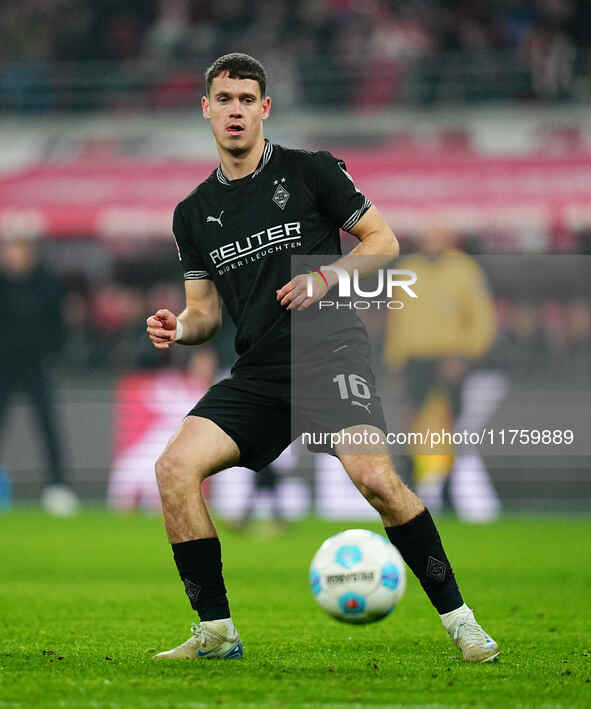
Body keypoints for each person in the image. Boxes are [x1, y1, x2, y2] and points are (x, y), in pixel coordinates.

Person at [146, 53, 499, 663]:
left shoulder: (310, 173)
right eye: (224, 99)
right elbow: (204, 314)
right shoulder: (192, 214)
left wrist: (329, 277)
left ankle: (463, 623)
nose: (235, 110)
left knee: (376, 480)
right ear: (206, 109)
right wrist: (179, 329)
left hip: (328, 348)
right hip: (259, 372)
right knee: (175, 469)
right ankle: (216, 632)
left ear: (265, 108)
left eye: (246, 99)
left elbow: (383, 240)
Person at [383, 227, 502, 521]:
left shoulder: (464, 270)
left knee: (451, 427)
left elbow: (481, 318)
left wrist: (465, 355)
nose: (431, 236)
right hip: (415, 360)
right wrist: (396, 358)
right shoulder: (408, 268)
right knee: (411, 423)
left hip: (450, 358)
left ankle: (448, 489)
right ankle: (408, 490)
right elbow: (398, 317)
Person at [0, 231, 79, 516]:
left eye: (20, 249)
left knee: (47, 427)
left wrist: (51, 354)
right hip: (4, 367)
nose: (15, 256)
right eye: (11, 249)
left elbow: (59, 323)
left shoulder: (46, 284)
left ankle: (58, 487)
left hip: (36, 366)